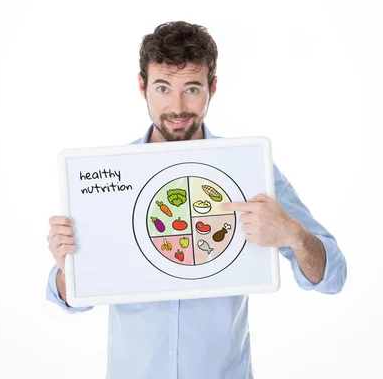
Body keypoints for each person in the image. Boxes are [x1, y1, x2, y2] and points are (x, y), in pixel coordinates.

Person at [46, 21, 347, 379]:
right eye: (162, 88)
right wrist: (69, 269)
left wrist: (294, 235)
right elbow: (72, 299)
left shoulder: (250, 167)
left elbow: (333, 276)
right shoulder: (109, 174)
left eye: (191, 88)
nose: (177, 107)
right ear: (142, 86)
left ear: (212, 88)